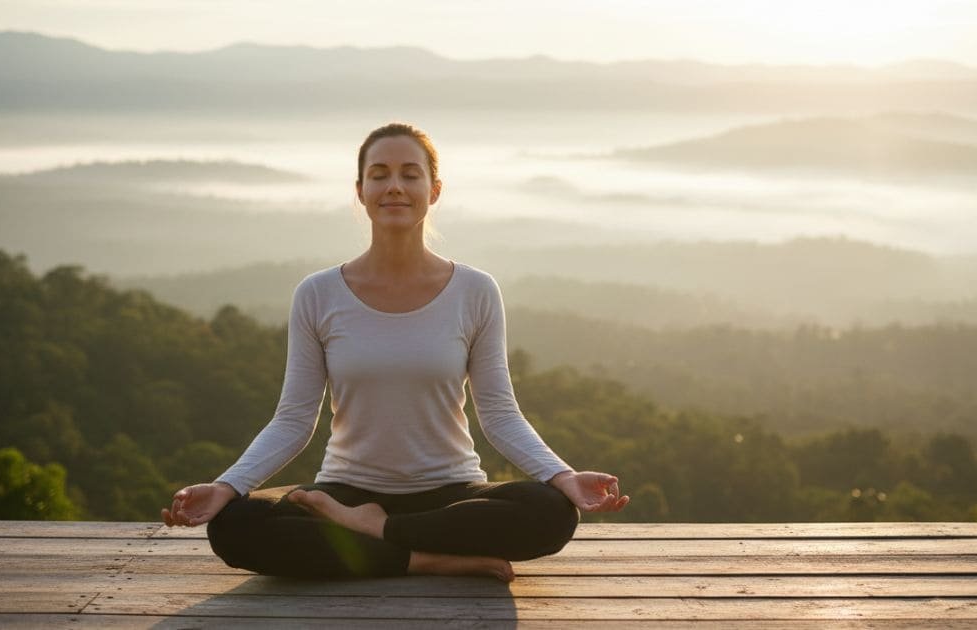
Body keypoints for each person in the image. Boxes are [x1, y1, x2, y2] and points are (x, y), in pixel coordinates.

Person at [161, 122, 629, 582]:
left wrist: (562, 477)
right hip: (344, 492)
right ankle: (425, 560)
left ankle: (378, 534)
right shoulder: (318, 294)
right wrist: (227, 486)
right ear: (361, 190)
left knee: (550, 512)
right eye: (380, 174)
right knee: (235, 525)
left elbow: (500, 414)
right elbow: (294, 419)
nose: (395, 187)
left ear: (435, 190)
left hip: (450, 493)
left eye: (410, 174)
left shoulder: (475, 291)